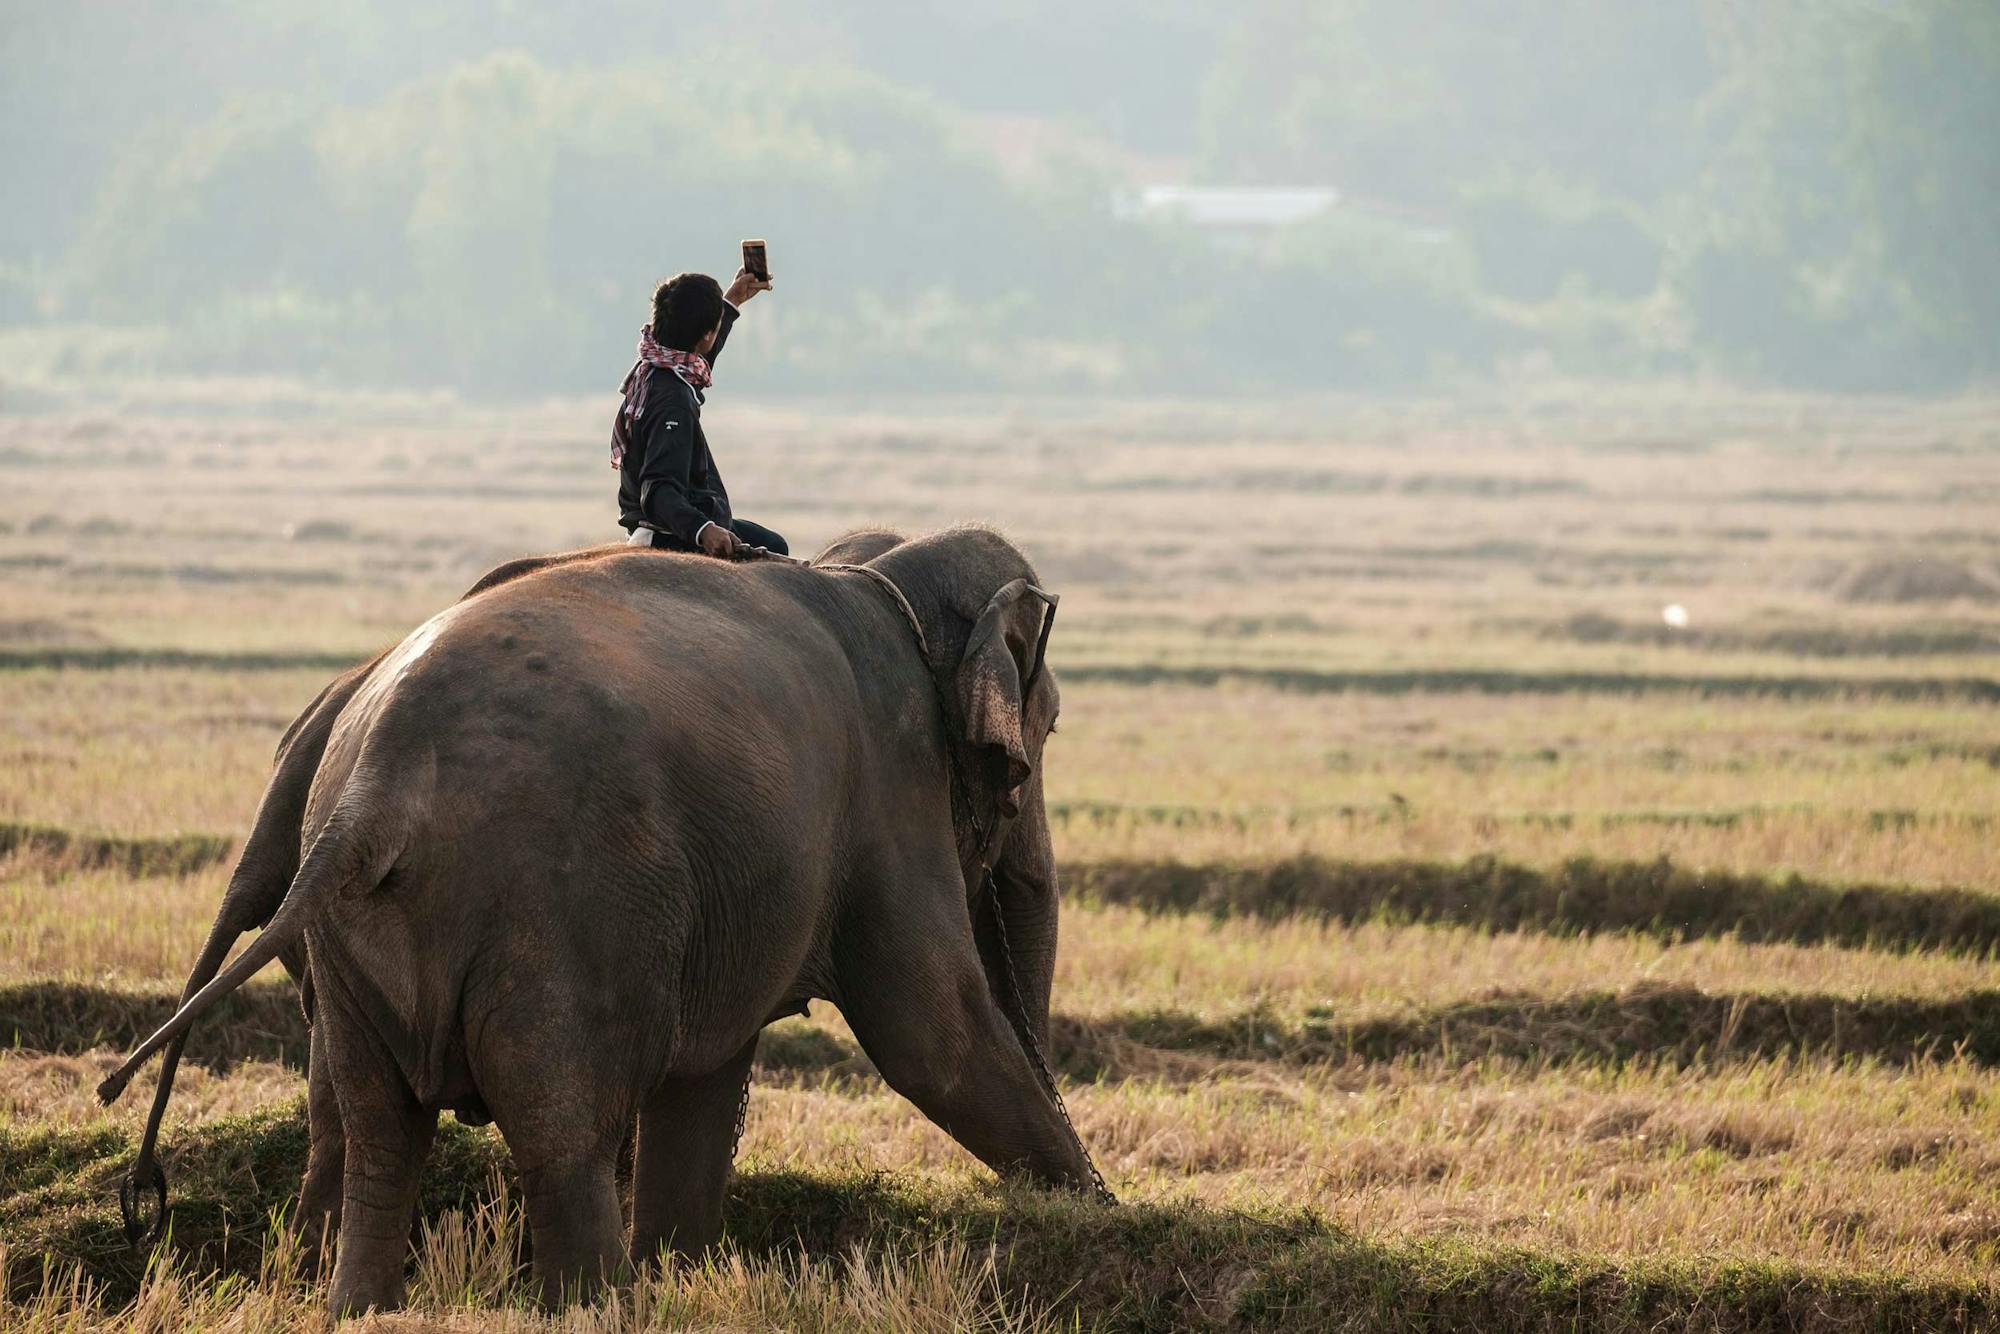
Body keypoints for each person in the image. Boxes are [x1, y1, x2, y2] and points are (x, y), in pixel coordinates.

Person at [613, 266, 786, 557]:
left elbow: (700, 355)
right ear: (705, 335)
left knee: (773, 543)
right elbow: (658, 490)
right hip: (670, 532)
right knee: (775, 553)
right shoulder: (674, 401)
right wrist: (703, 529)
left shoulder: (656, 365)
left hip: (672, 520)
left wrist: (731, 302)